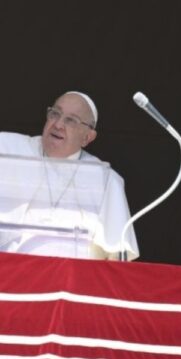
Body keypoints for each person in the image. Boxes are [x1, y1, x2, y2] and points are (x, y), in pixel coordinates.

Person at [0, 91, 139, 260]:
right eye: (55, 114)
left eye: (70, 120)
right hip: (10, 278)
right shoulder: (8, 149)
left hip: (72, 282)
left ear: (87, 137)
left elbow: (118, 255)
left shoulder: (104, 179)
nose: (58, 124)